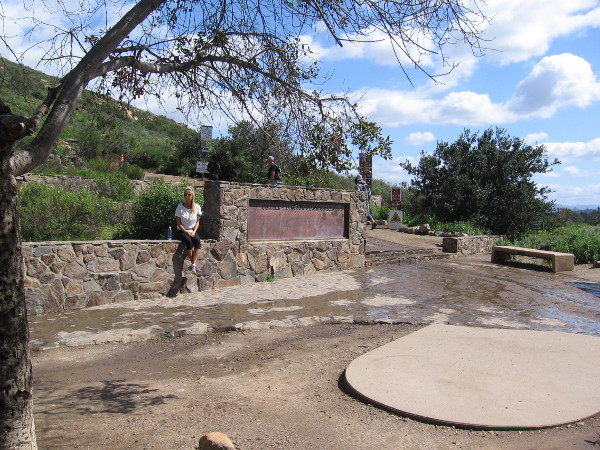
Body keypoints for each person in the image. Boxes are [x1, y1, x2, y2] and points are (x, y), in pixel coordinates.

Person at [174, 186, 202, 273]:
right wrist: (186, 231)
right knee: (188, 242)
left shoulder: (197, 207)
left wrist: (194, 231)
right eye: (185, 194)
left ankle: (193, 264)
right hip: (182, 230)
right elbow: (178, 223)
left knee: (197, 241)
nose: (187, 196)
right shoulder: (180, 207)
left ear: (192, 195)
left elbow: (197, 222)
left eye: (189, 194)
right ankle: (194, 264)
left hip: (191, 230)